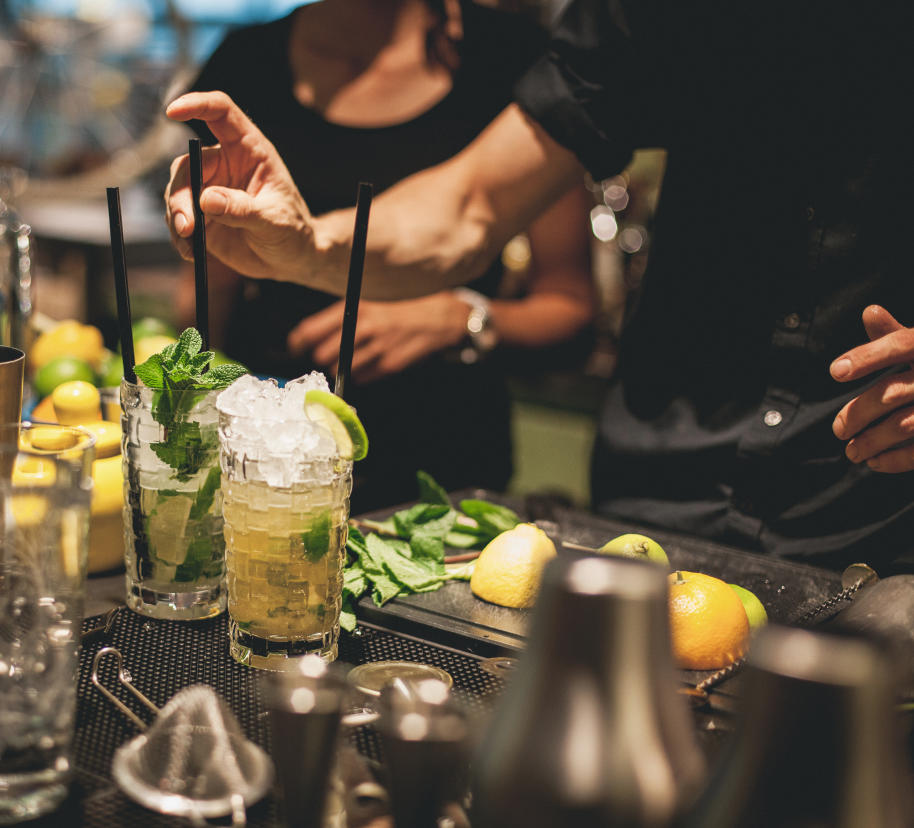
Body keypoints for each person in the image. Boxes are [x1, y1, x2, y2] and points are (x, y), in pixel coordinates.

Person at [163, 0, 914, 572]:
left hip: (875, 515)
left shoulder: (495, 51)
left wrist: (464, 319)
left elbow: (568, 305)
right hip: (656, 498)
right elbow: (471, 204)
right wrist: (306, 244)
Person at [174, 0, 594, 512]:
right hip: (271, 464)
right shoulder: (246, 62)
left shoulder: (517, 61)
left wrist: (455, 318)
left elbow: (569, 308)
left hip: (444, 475)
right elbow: (206, 296)